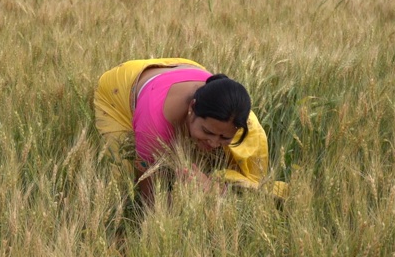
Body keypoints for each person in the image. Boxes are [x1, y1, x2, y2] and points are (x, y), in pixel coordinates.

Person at [93, 58, 287, 200]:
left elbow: (255, 177)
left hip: (181, 69)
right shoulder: (153, 123)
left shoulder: (239, 117)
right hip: (118, 88)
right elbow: (148, 196)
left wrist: (224, 191)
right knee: (121, 178)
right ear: (192, 108)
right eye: (208, 132)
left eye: (224, 137)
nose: (213, 143)